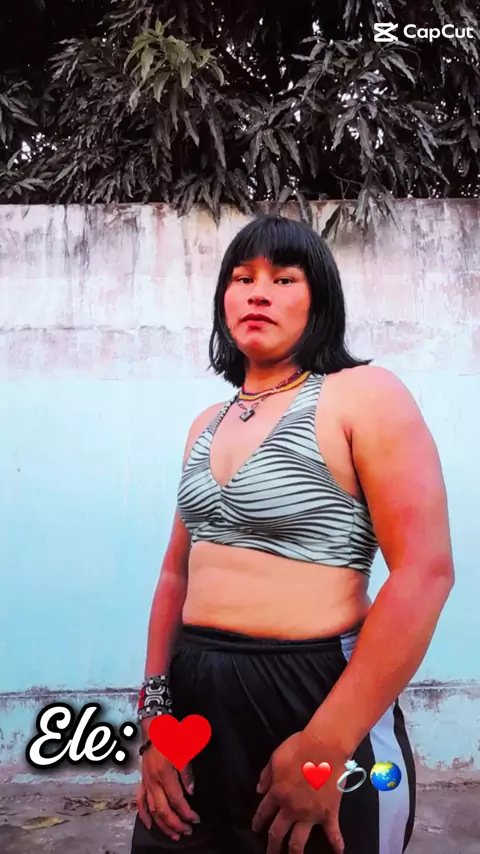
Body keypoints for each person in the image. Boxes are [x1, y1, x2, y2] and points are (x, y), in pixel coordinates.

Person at [129, 214, 454, 854]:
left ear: (319, 300)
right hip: (193, 702)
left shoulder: (363, 396)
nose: (258, 293)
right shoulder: (206, 423)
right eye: (242, 278)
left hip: (313, 696)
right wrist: (154, 718)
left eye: (283, 279)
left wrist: (327, 742)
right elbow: (175, 573)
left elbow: (425, 573)